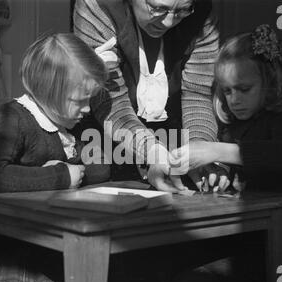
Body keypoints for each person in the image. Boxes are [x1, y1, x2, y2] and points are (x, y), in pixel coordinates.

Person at [171, 25, 282, 282]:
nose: (234, 100)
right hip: (232, 237)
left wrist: (219, 151)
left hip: (273, 247)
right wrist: (218, 171)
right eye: (228, 91)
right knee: (160, 262)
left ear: (269, 82)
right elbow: (234, 168)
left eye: (244, 89)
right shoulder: (235, 125)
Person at [0, 33, 110, 282]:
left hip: (60, 239)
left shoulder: (75, 123)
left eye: (90, 100)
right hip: (16, 244)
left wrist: (72, 171)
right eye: (80, 101)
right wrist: (58, 176)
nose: (87, 109)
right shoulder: (12, 116)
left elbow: (102, 167)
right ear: (50, 92)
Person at [73, 0, 220, 193]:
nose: (168, 21)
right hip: (103, 141)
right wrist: (153, 152)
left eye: (182, 10)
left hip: (171, 137)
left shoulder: (202, 14)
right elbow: (112, 102)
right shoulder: (97, 6)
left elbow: (197, 93)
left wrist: (198, 153)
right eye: (158, 8)